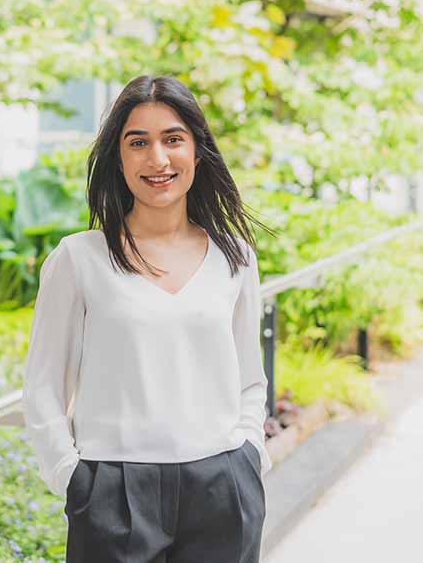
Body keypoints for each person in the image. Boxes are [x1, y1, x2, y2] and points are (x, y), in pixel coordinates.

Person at [22, 74, 276, 562]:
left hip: (221, 485)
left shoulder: (235, 257)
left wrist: (248, 454)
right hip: (113, 492)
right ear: (119, 159)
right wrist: (71, 478)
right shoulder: (79, 259)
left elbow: (250, 378)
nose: (157, 159)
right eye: (138, 142)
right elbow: (42, 384)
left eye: (172, 139)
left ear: (197, 152)